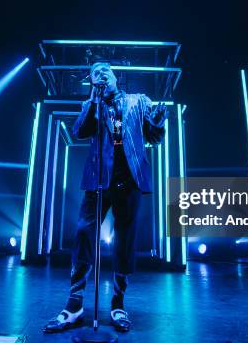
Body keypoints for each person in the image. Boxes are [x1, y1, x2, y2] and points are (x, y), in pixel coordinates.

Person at [44, 61, 168, 333]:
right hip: (98, 180)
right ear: (92, 82)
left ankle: (118, 303)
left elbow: (154, 136)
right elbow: (80, 131)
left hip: (130, 179)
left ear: (115, 76)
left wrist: (158, 121)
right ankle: (74, 304)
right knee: (84, 233)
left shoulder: (139, 101)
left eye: (105, 72)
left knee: (125, 241)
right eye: (95, 75)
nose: (101, 75)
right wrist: (92, 99)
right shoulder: (93, 104)